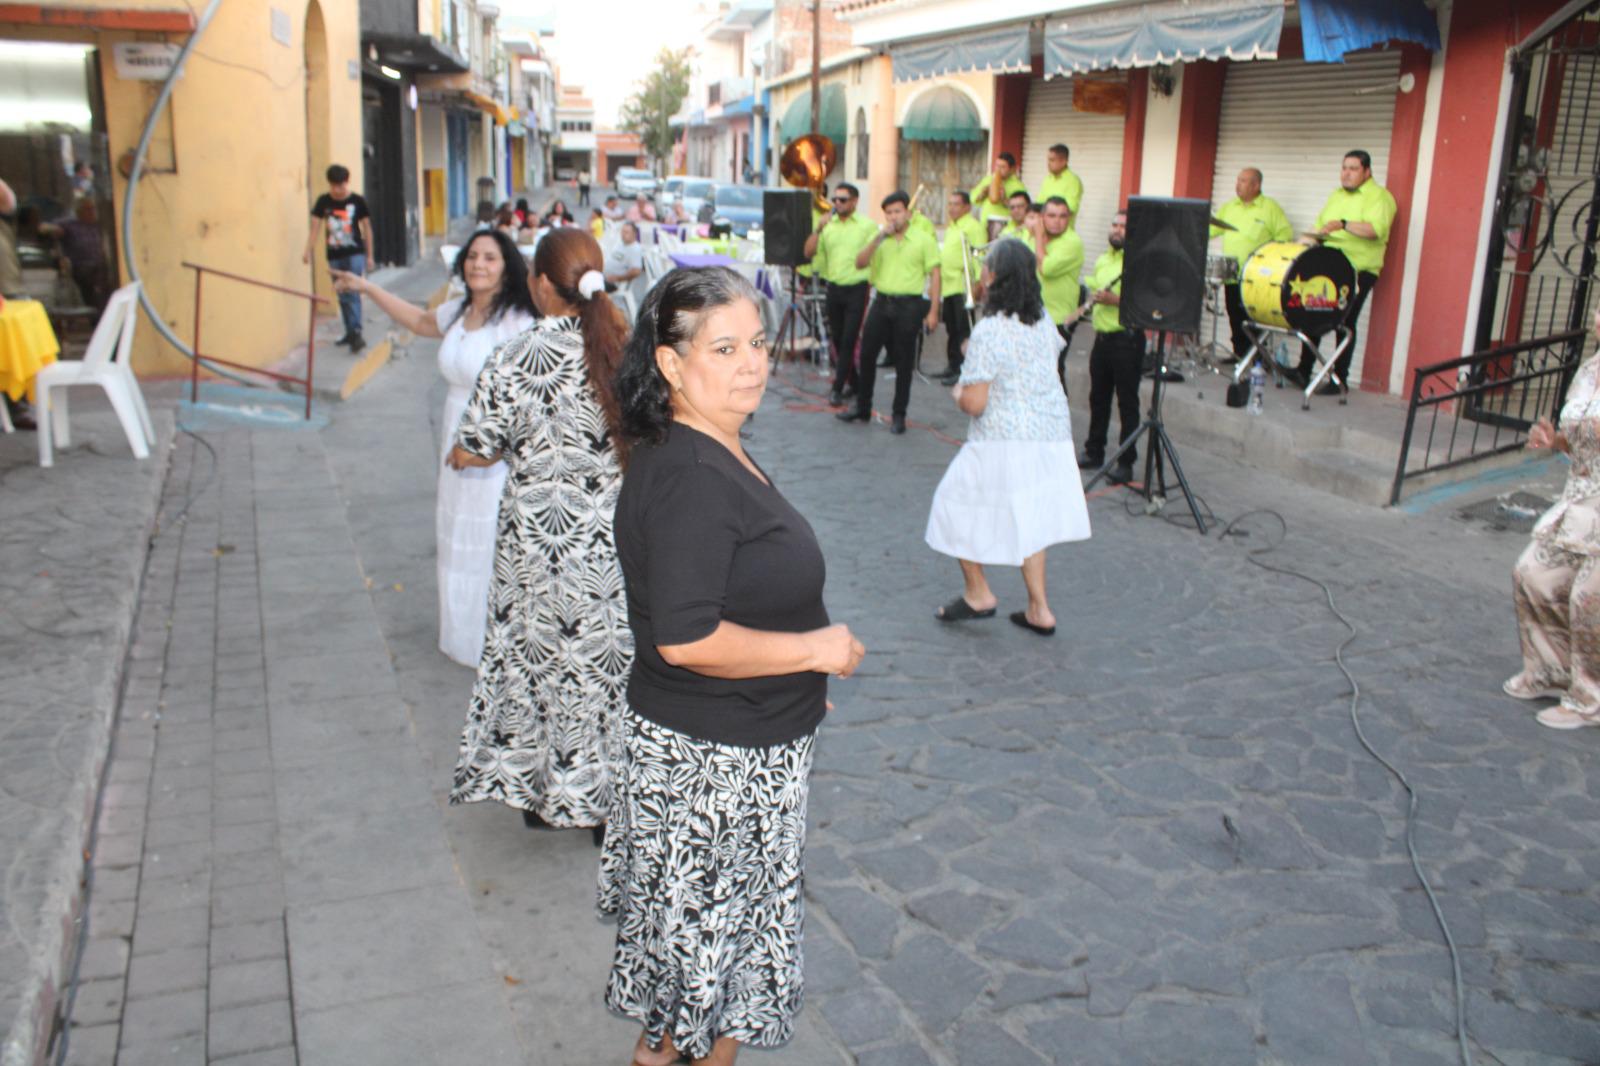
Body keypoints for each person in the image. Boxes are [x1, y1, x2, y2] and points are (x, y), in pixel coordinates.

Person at [604, 266, 866, 1066]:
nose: (753, 361)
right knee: (688, 1007)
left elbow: (740, 591)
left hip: (736, 757)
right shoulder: (689, 474)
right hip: (709, 780)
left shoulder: (711, 445)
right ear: (671, 365)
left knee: (709, 998)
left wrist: (795, 684)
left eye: (757, 341)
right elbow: (686, 637)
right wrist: (814, 652)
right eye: (725, 348)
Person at [446, 226, 632, 835]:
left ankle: (545, 798)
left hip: (536, 546)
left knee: (538, 668)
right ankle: (609, 807)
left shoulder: (516, 356)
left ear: (543, 286)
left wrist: (467, 455)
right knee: (606, 670)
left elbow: (474, 449)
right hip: (612, 542)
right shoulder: (626, 348)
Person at [334, 229, 538, 665]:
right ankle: (463, 634)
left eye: (490, 258)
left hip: (493, 445)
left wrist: (498, 445)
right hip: (454, 434)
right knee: (456, 530)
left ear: (507, 268)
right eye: (473, 257)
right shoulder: (461, 310)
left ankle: (498, 644)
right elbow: (418, 321)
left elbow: (531, 389)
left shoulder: (516, 320)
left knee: (489, 537)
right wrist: (368, 287)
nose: (478, 264)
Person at [927, 238, 1090, 636]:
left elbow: (976, 403)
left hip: (1004, 439)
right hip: (1050, 436)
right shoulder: (1043, 320)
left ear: (995, 277)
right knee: (1030, 519)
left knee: (951, 505)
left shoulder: (990, 330)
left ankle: (978, 592)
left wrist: (959, 391)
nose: (980, 272)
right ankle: (1039, 608)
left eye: (986, 266)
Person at [1506, 308, 1600, 730]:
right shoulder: (1589, 371)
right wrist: (1555, 440)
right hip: (1580, 499)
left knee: (1588, 598)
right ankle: (1551, 668)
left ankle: (1589, 696)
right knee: (1533, 572)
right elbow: (1581, 439)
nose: (1597, 316)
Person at [835, 191, 940, 435]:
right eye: (889, 213)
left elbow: (935, 274)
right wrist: (880, 237)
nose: (893, 217)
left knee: (903, 361)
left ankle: (899, 414)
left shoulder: (923, 239)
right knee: (867, 355)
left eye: (897, 212)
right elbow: (860, 263)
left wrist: (933, 311)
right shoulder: (879, 238)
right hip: (881, 302)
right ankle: (863, 407)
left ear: (908, 213)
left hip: (909, 304)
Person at [1297, 149, 1397, 394]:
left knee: (1344, 321)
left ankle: (1339, 379)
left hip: (1359, 269)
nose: (1346, 174)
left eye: (1353, 169)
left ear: (1367, 171)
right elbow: (1320, 228)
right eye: (1344, 168)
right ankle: (1303, 370)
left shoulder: (1379, 197)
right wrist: (1299, 246)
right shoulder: (1336, 195)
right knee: (1312, 310)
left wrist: (1344, 224)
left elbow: (1375, 230)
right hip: (1330, 265)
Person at [1075, 210, 1140, 485]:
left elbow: (1144, 304)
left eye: (1124, 226)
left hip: (1127, 339)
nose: (1117, 230)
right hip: (1102, 338)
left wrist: (1117, 300)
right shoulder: (1103, 259)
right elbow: (1093, 286)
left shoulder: (1138, 262)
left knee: (1127, 403)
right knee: (1098, 398)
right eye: (1114, 224)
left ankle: (1126, 462)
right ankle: (1094, 450)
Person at [804, 182, 878, 408]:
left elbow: (872, 257)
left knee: (848, 339)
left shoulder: (867, 226)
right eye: (835, 200)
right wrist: (818, 229)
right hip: (833, 287)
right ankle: (854, 382)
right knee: (837, 339)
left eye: (843, 200)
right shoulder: (829, 225)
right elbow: (808, 252)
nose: (837, 203)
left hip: (857, 287)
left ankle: (837, 388)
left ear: (855, 201)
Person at [1212, 167, 1293, 362]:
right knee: (1234, 312)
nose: (1237, 185)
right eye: (1237, 180)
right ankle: (1240, 353)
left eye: (1243, 181)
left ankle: (1256, 356)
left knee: (1253, 316)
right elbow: (1212, 229)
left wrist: (1268, 258)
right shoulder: (1230, 207)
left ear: (1256, 185)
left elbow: (1284, 236)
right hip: (1232, 271)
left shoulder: (1269, 208)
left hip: (1256, 274)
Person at [304, 163, 373, 352]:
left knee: (352, 292)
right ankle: (350, 331)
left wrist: (370, 255)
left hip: (354, 253)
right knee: (342, 293)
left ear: (346, 183)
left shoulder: (357, 201)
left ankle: (356, 332)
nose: (337, 190)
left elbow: (367, 228)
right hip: (334, 254)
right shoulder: (323, 201)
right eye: (334, 185)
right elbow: (315, 228)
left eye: (340, 185)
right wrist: (307, 250)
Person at [936, 190, 987, 385]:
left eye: (956, 204)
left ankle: (964, 369)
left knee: (963, 329)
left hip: (963, 286)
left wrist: (978, 285)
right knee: (951, 328)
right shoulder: (952, 227)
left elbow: (978, 257)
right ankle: (952, 365)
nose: (952, 208)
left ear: (967, 207)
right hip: (949, 286)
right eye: (949, 204)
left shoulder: (973, 226)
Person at [1031, 196, 1085, 363]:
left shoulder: (1072, 242)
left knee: (1053, 372)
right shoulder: (1036, 237)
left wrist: (1038, 238)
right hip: (1034, 314)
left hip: (1058, 318)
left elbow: (1046, 269)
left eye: (1062, 216)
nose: (1057, 221)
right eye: (1052, 216)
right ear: (1042, 218)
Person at [971, 151, 1026, 227]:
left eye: (1003, 167)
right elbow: (972, 199)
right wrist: (983, 194)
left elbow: (1022, 209)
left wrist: (1004, 199)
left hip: (1005, 223)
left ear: (1012, 169)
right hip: (985, 222)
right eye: (997, 166)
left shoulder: (1018, 186)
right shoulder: (988, 179)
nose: (998, 170)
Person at [606, 221, 648, 314]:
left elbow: (636, 271)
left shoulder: (635, 249)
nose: (623, 235)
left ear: (634, 234)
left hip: (615, 283)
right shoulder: (622, 244)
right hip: (606, 277)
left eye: (626, 232)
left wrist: (617, 278)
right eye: (622, 232)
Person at [1037, 143, 1083, 227]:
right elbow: (1039, 205)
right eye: (1048, 160)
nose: (1048, 163)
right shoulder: (1048, 179)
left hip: (1062, 232)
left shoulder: (1073, 181)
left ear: (1063, 161)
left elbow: (1069, 210)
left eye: (1052, 160)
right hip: (1044, 230)